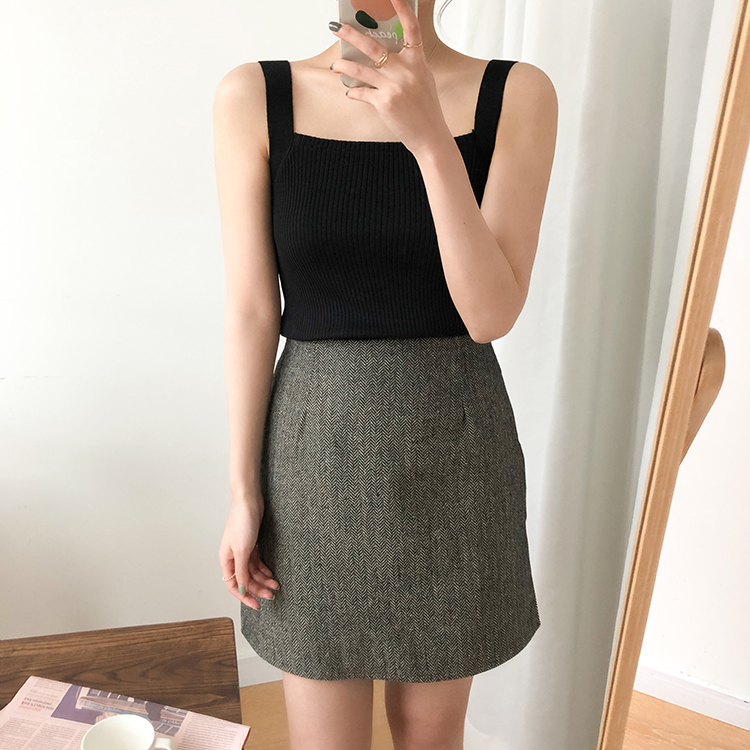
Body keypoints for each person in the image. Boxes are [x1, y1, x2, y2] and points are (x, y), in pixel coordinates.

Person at [213, 0, 557, 747]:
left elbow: (489, 314)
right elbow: (250, 311)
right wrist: (243, 492)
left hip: (453, 448)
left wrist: (429, 137)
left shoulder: (516, 93)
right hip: (315, 455)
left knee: (431, 735)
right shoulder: (255, 95)